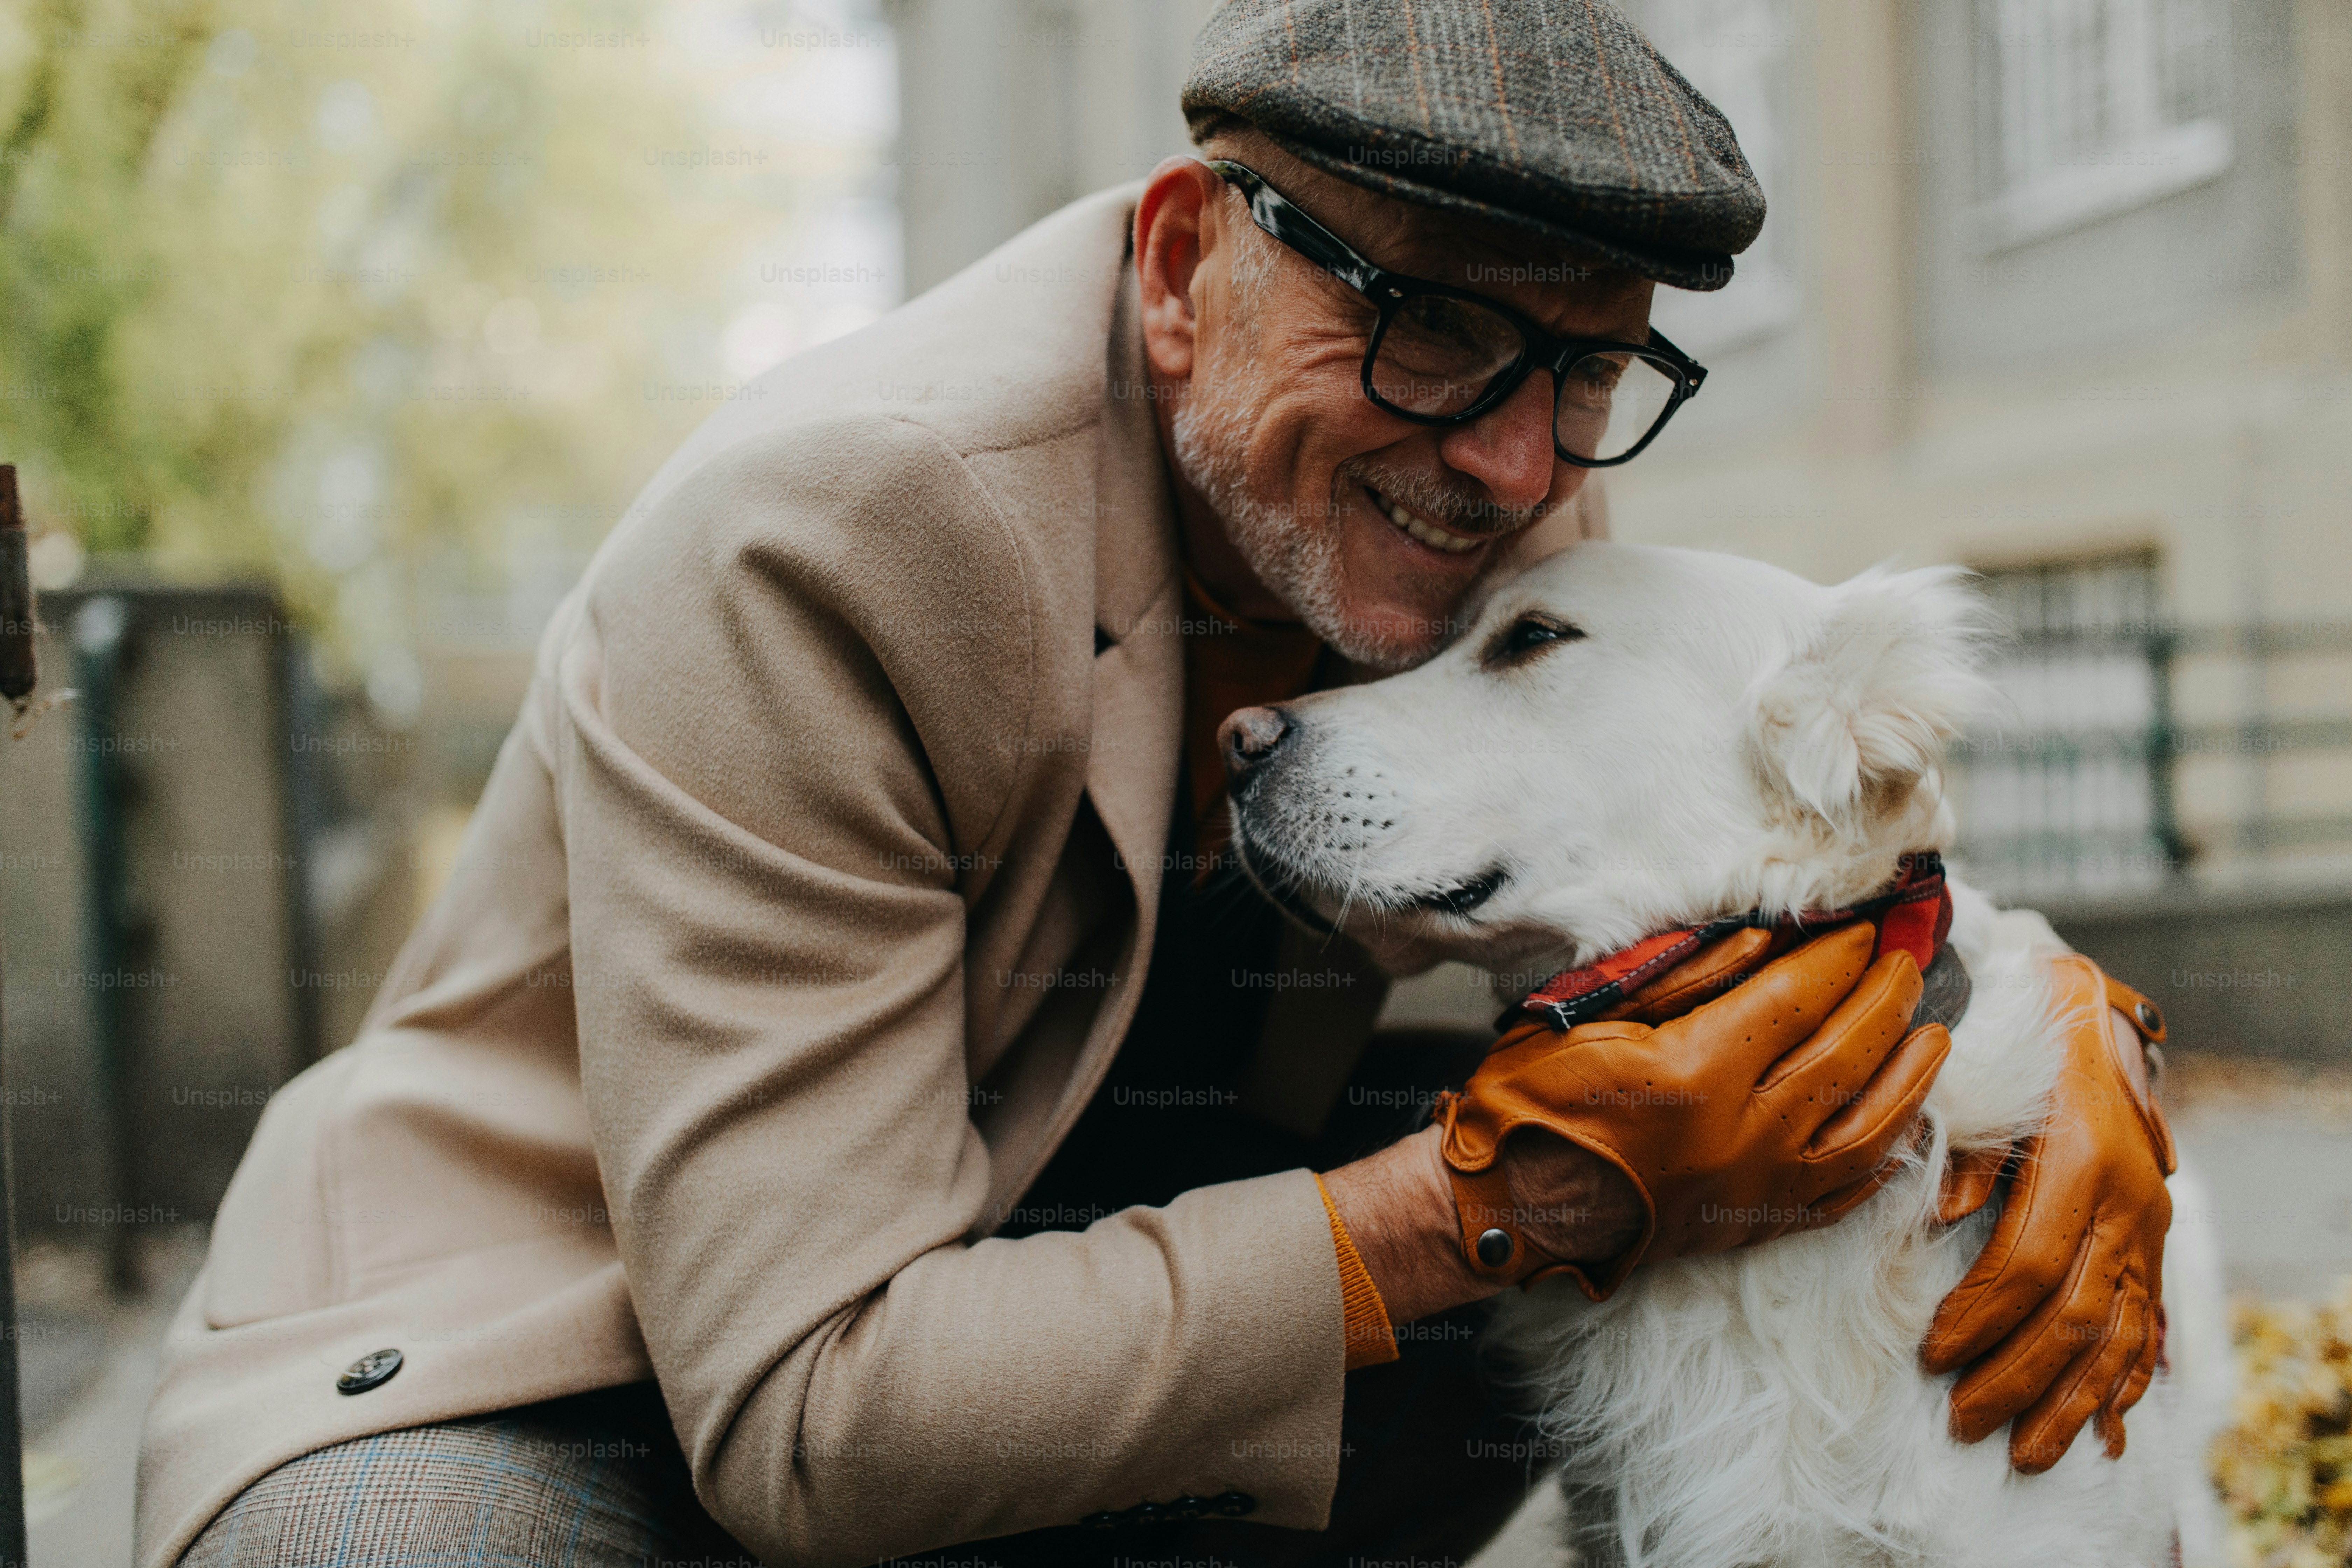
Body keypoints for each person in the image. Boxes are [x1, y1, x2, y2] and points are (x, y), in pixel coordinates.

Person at [139, 3, 2175, 1565]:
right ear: (1188, 257)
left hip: (1068, 1230)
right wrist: (1483, 1209)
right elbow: (804, 1417)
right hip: (580, 1362)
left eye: (1583, 370)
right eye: (1433, 321)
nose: (1508, 461)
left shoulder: (1492, 518)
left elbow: (1766, 819)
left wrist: (2041, 1025)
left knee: (1679, 1203)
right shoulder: (835, 539)